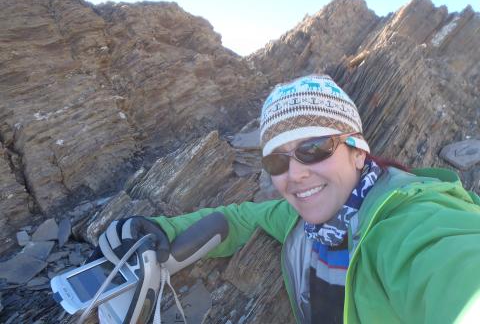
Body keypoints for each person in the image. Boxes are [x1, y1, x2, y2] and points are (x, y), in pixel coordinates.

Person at [99, 74, 480, 323]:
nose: (295, 173)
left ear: (358, 151)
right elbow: (240, 219)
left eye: (314, 148)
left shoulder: (412, 220)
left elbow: (456, 274)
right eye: (277, 159)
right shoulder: (301, 220)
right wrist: (155, 231)